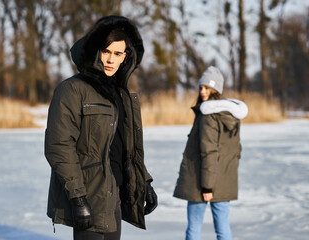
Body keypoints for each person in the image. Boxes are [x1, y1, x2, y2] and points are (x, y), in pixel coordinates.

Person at [44, 15, 158, 240]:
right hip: (89, 193)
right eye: (106, 51)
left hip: (114, 193)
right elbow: (59, 145)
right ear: (96, 50)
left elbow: (126, 146)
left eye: (118, 53)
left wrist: (144, 181)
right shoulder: (72, 89)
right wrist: (77, 197)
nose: (111, 59)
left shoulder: (121, 95)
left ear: (126, 57)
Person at [173, 66, 248, 240]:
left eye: (207, 88)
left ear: (216, 90)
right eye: (201, 87)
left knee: (194, 229)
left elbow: (209, 152)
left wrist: (207, 185)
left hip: (201, 181)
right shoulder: (229, 115)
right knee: (223, 229)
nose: (203, 91)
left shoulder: (207, 115)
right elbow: (235, 150)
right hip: (223, 180)